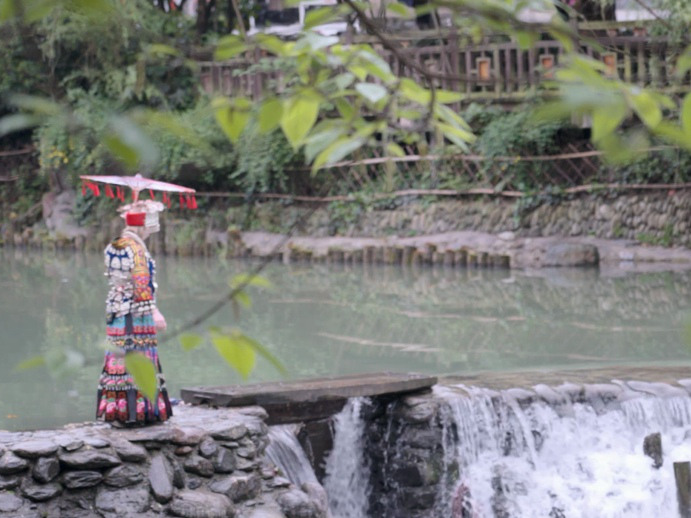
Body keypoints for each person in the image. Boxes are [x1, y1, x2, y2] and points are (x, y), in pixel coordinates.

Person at [96, 199, 173, 426]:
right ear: (142, 225)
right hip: (136, 314)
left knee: (119, 355)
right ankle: (137, 412)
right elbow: (141, 285)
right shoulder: (136, 248)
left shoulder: (116, 244)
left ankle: (118, 410)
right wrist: (155, 312)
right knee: (137, 355)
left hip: (117, 311)